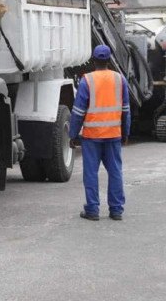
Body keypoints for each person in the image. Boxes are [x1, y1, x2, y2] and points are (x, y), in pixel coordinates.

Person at [69, 44, 130, 221]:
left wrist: (73, 135)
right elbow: (126, 109)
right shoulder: (120, 80)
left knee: (90, 173)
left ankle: (93, 210)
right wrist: (125, 132)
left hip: (92, 137)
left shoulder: (87, 80)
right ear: (110, 60)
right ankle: (116, 210)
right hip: (113, 135)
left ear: (93, 60)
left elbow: (78, 111)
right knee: (115, 172)